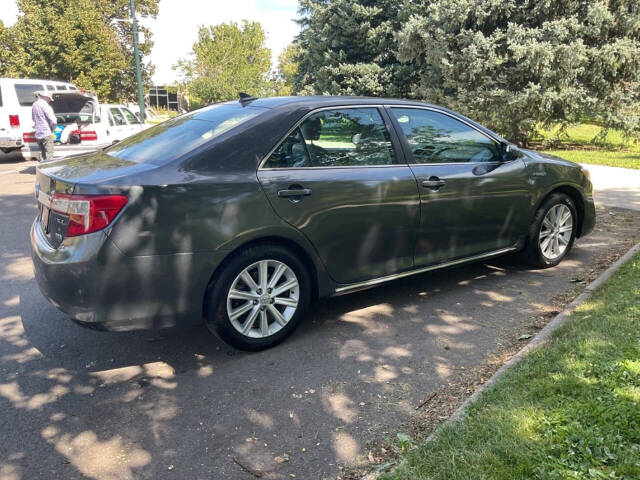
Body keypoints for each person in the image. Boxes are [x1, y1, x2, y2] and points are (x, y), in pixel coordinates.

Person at [31, 91, 57, 162]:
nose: (49, 101)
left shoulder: (34, 104)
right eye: (49, 99)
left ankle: (41, 167)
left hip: (38, 133)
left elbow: (33, 118)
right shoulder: (46, 105)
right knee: (49, 155)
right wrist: (52, 130)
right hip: (46, 133)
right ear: (47, 98)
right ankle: (48, 170)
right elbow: (53, 121)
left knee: (42, 154)